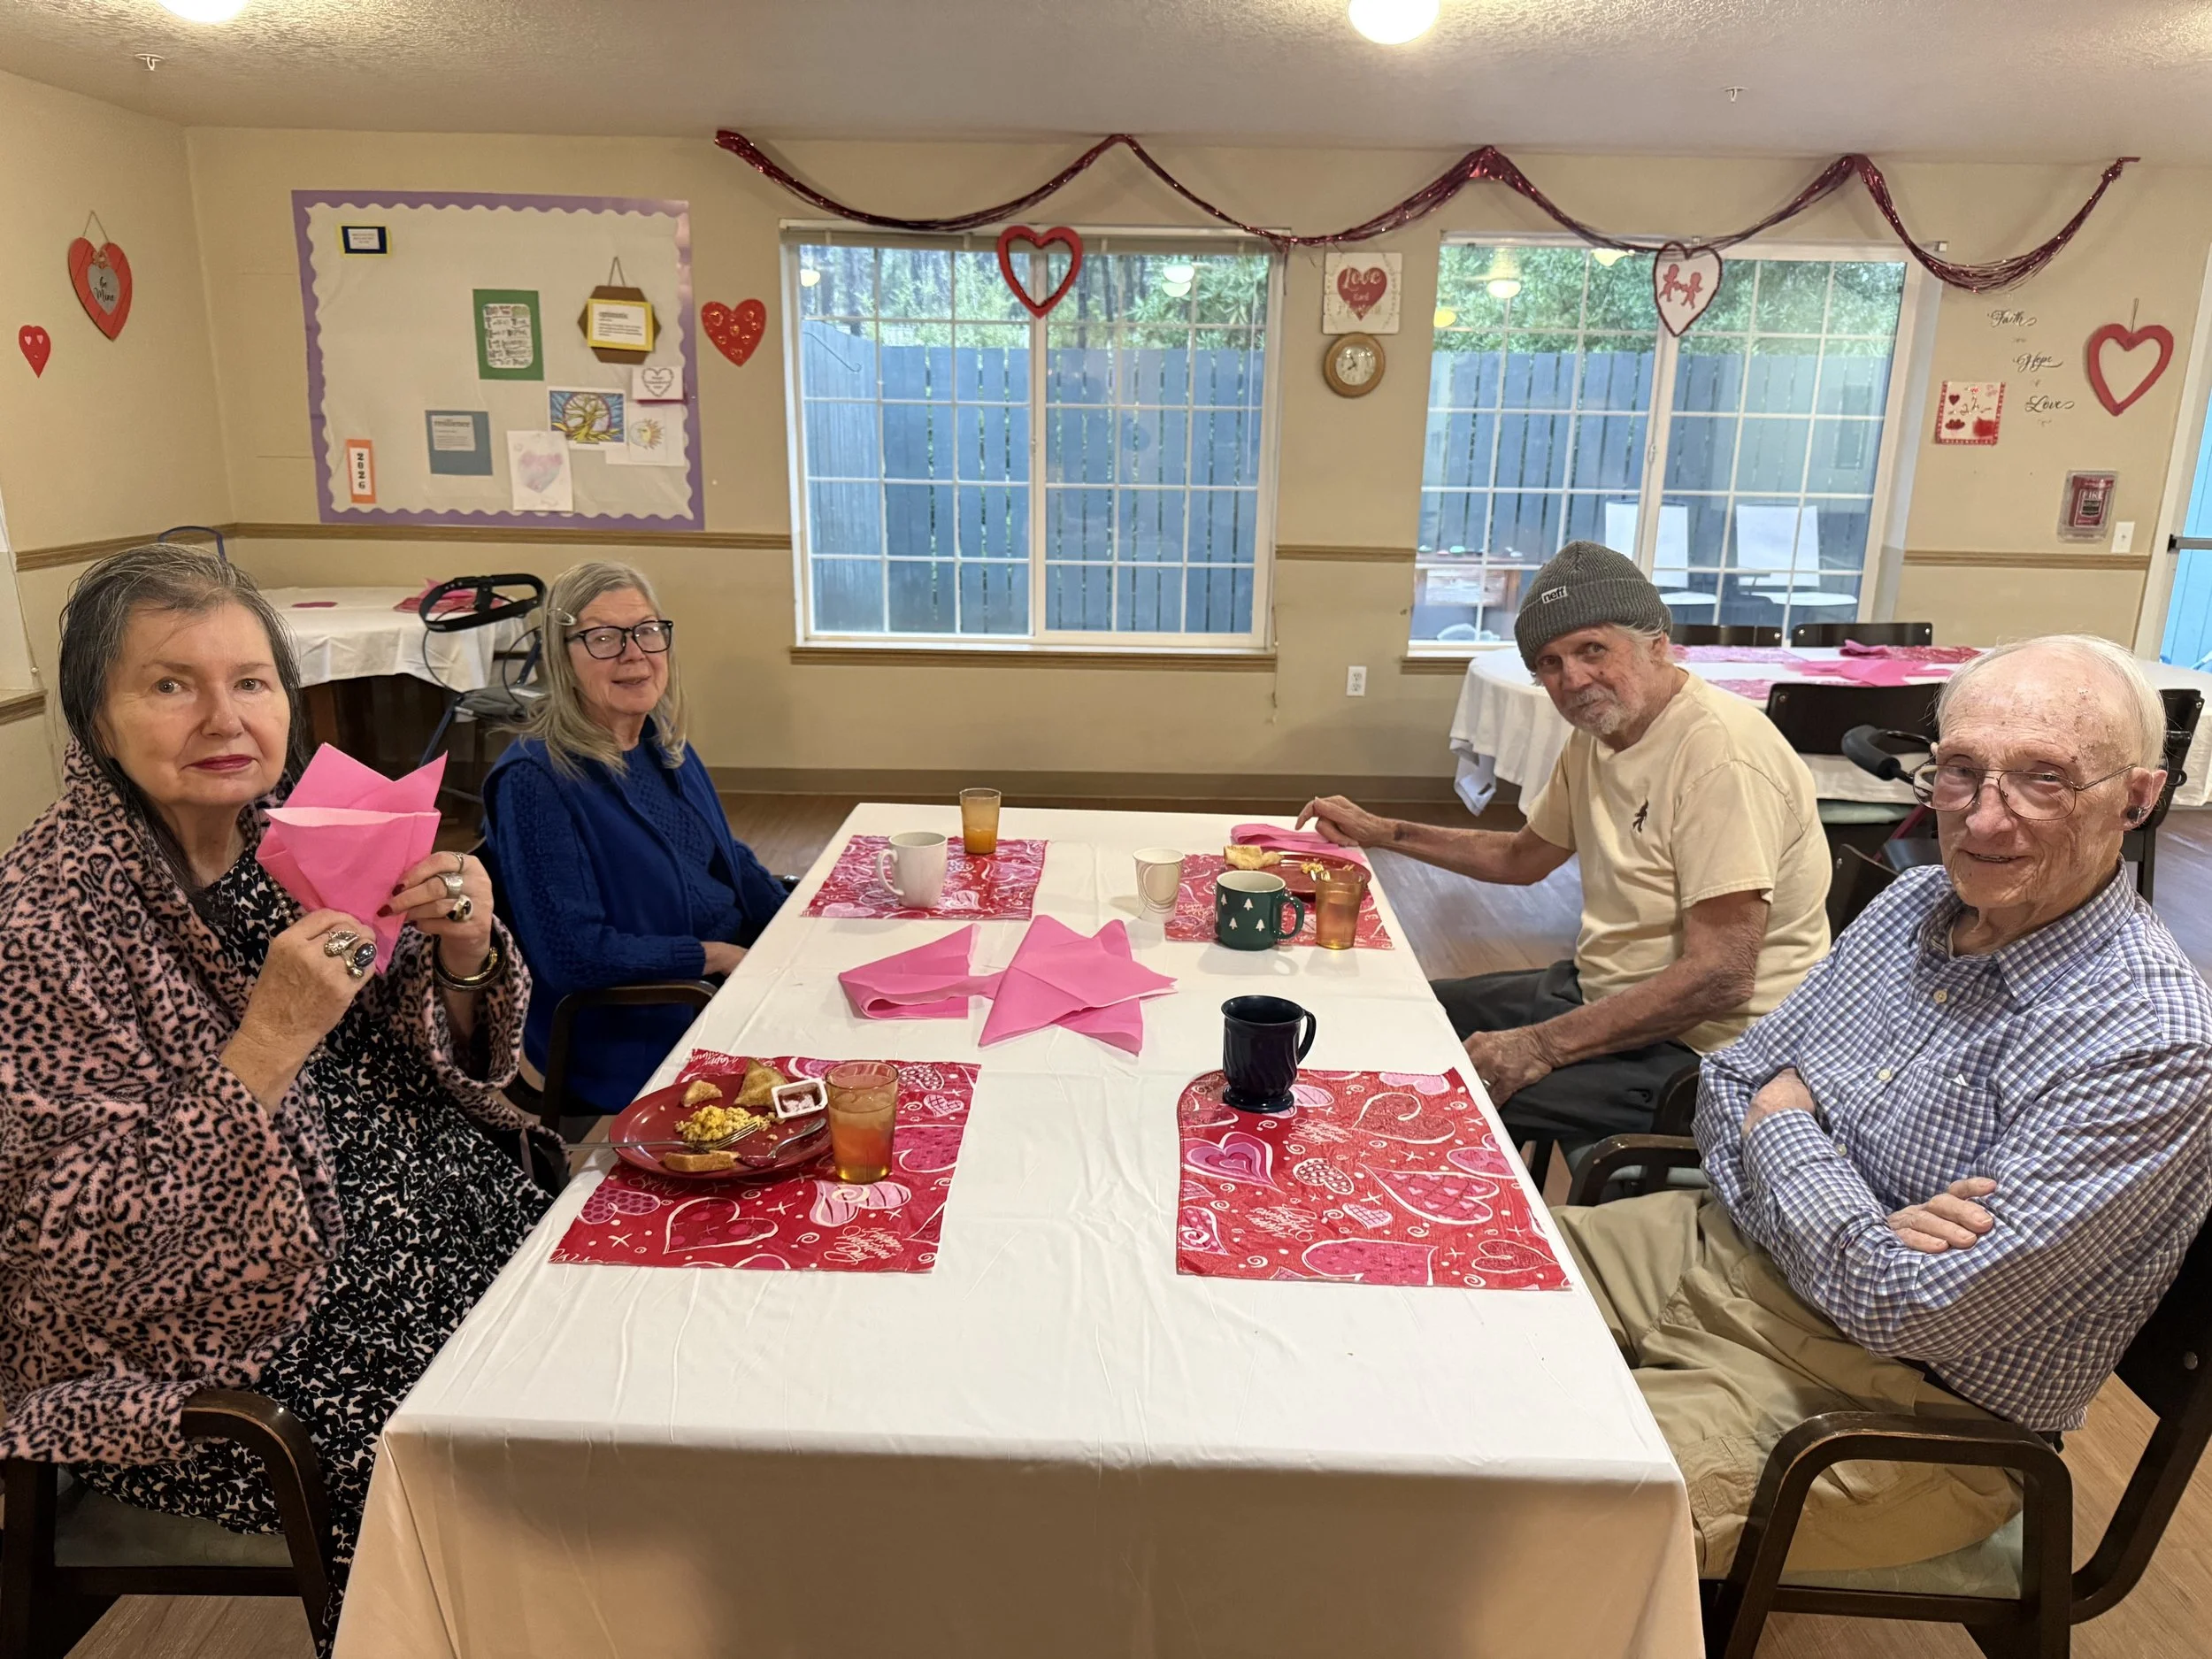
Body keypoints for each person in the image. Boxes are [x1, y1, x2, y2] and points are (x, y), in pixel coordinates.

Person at [1554, 634, 2212, 1577]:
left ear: (2137, 798)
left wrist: (1788, 1125)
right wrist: (1858, 1223)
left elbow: (1910, 1310)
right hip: (1714, 1253)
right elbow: (1729, 1082)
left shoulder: (2147, 1039)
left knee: (1525, 1517)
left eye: (2045, 780)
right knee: (1440, 1289)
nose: (1983, 818)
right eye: (1960, 770)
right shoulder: (1914, 906)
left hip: (1889, 1411)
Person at [0, 545, 550, 1571]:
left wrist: (466, 953)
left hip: (429, 1229)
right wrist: (268, 1042)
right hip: (224, 1350)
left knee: (604, 1327)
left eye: (251, 683)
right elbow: (79, 1253)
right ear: (95, 722)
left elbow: (438, 1060)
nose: (224, 719)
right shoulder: (44, 926)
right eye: (171, 686)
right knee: (504, 1472)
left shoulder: (292, 832)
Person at [1302, 540, 1830, 1148]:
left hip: (1707, 1053)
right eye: (1550, 663)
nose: (1573, 679)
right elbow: (1521, 857)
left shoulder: (1720, 755)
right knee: (1398, 1013)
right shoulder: (1599, 735)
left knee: (1433, 1095)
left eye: (1592, 649)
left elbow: (1720, 976)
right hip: (1602, 990)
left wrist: (1541, 1045)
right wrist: (1386, 832)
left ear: (1657, 644)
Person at [483, 561, 786, 1116]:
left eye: (647, 631)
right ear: (562, 657)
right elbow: (575, 956)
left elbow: (726, 860)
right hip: (644, 1025)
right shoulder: (536, 781)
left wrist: (794, 923)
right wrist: (713, 957)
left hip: (715, 985)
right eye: (603, 638)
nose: (634, 654)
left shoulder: (660, 741)